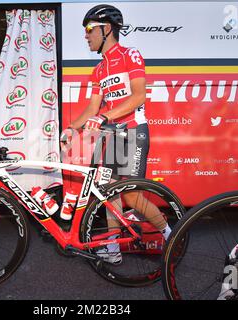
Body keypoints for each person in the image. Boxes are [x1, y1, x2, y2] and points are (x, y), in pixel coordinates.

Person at [60, 4, 171, 264]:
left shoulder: (130, 55)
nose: (86, 35)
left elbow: (139, 96)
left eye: (89, 29)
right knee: (110, 193)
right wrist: (71, 127)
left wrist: (104, 116)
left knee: (132, 195)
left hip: (133, 130)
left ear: (106, 28)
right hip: (113, 136)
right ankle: (113, 248)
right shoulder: (99, 70)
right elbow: (92, 107)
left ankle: (171, 236)